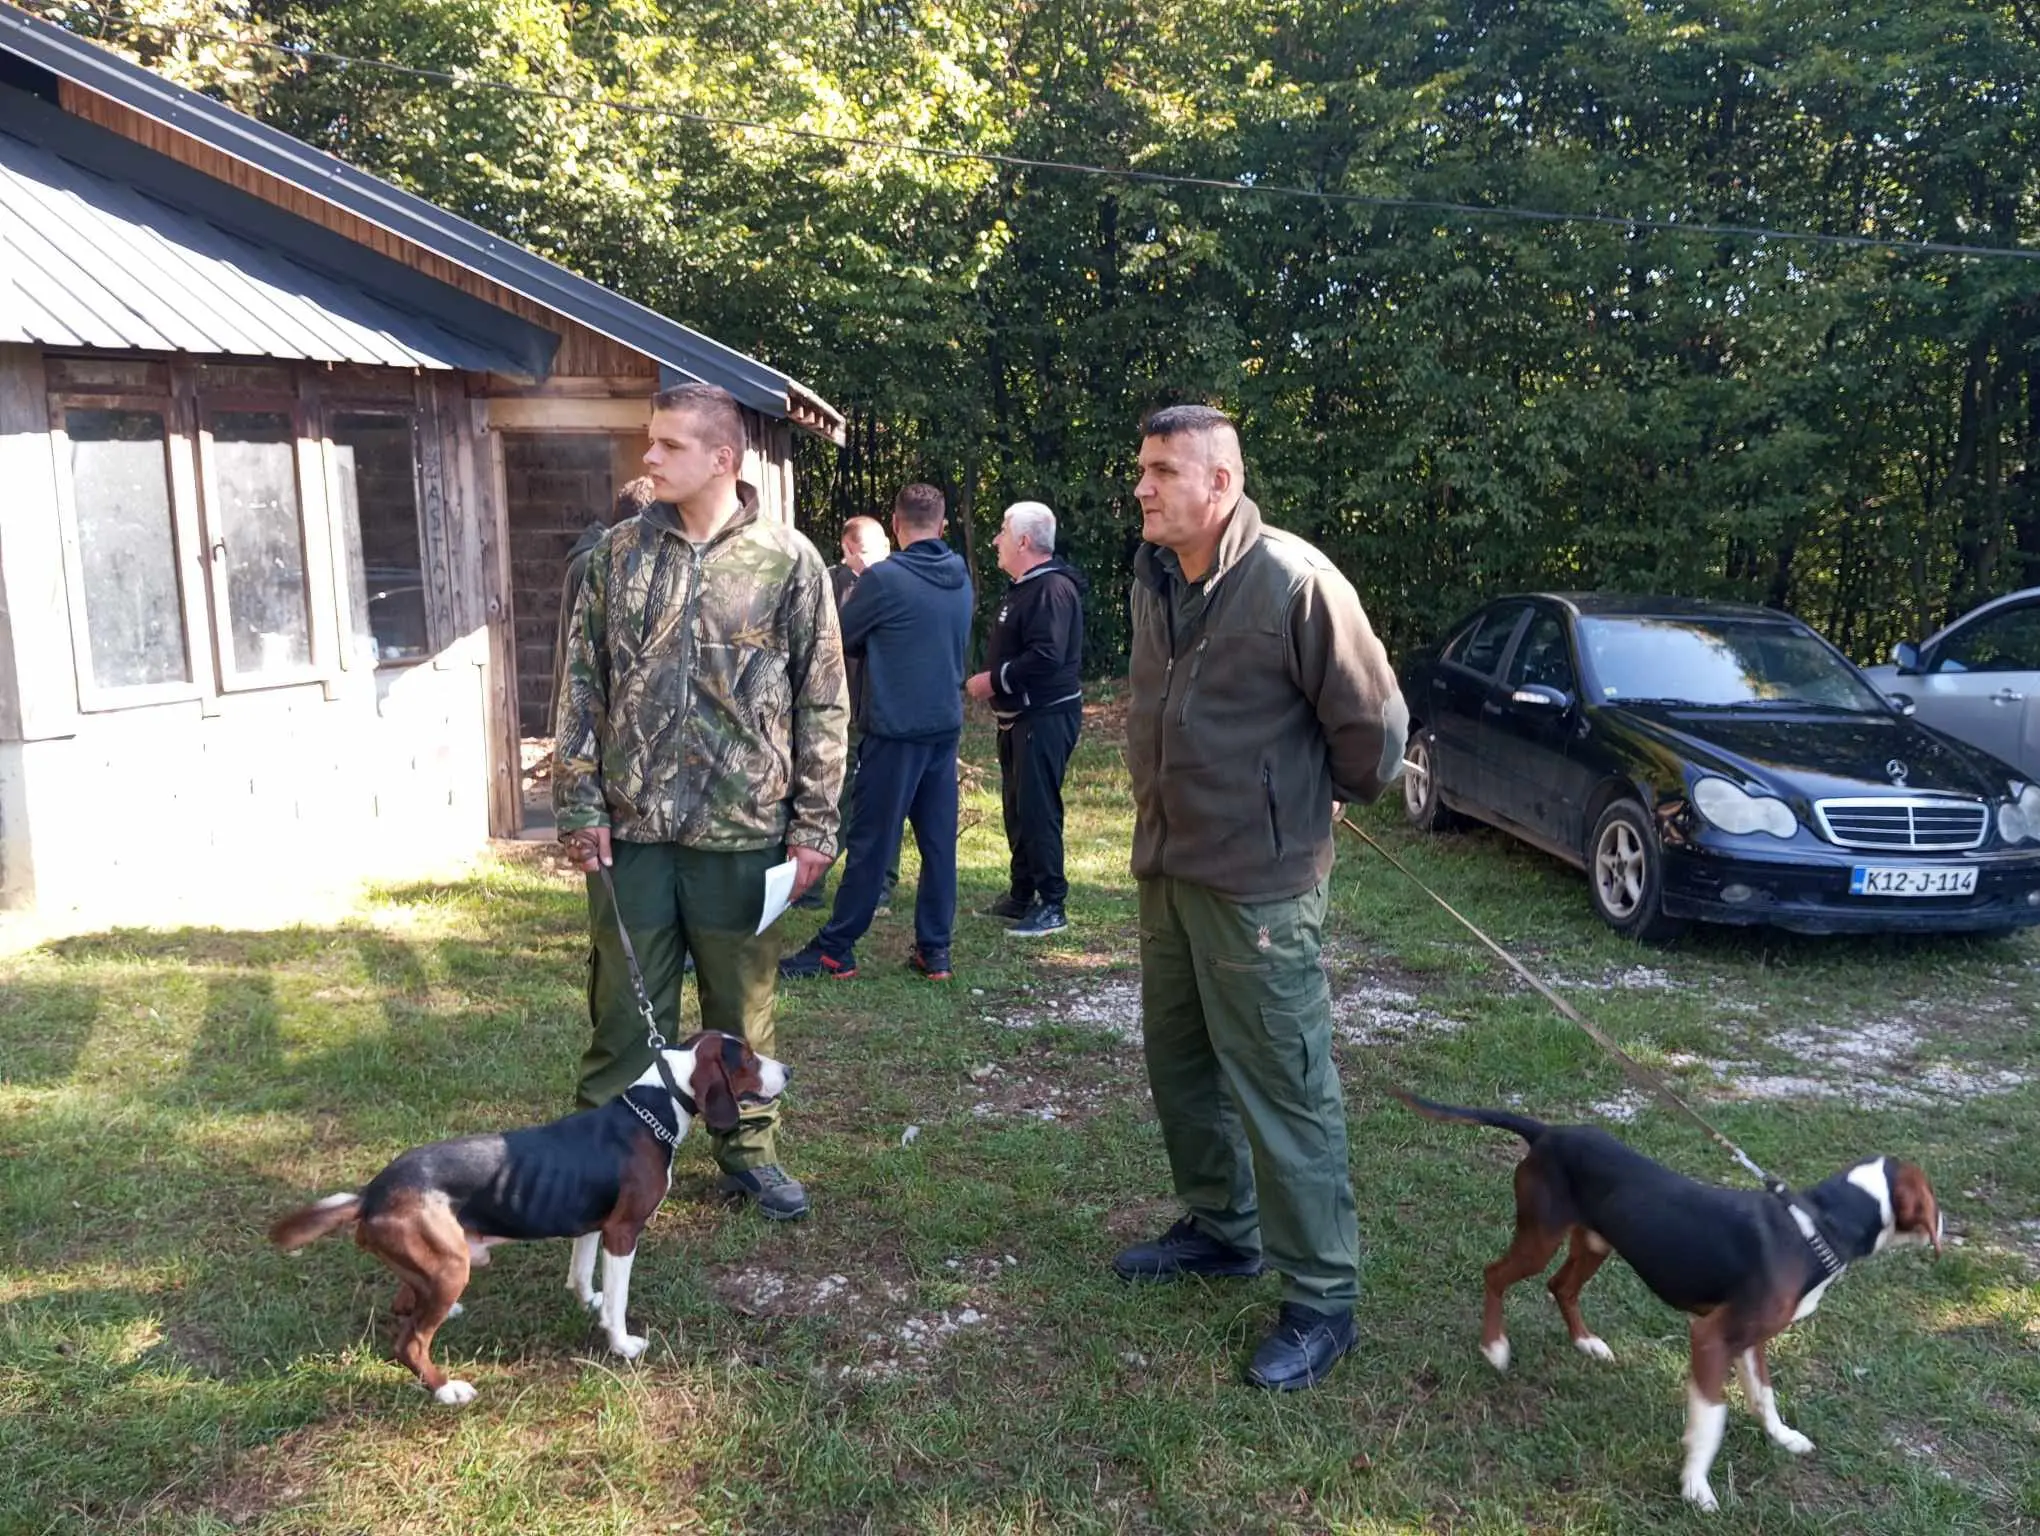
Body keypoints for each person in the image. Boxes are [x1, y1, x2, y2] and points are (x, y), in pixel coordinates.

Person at [1112, 403, 1409, 1391]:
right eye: (1142, 468)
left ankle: (1323, 1298)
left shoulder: (1295, 580)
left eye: (1162, 470)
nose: (1143, 486)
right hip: (1169, 867)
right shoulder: (1155, 577)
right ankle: (1221, 1227)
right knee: (1180, 1064)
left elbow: (1376, 729)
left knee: (1284, 1086)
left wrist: (1316, 795)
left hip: (1259, 889)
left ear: (1221, 482)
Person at [554, 382, 847, 1222]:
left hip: (744, 832)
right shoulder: (615, 556)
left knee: (741, 1006)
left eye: (669, 445)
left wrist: (815, 824)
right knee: (622, 1007)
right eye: (650, 441)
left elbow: (824, 698)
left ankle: (749, 1153)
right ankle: (601, 1158)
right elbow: (580, 686)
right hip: (632, 832)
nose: (649, 457)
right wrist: (580, 804)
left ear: (723, 458)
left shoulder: (789, 561)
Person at [780, 483, 972, 982]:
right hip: (944, 727)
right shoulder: (960, 575)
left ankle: (835, 950)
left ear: (895, 524)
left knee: (871, 843)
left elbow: (841, 636)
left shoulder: (885, 580)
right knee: (938, 846)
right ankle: (936, 950)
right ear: (943, 525)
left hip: (894, 731)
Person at [966, 500, 1087, 938]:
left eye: (1002, 531)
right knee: (1017, 807)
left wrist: (994, 680)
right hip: (1019, 718)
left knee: (1038, 809)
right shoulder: (1024, 587)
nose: (995, 540)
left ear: (1022, 541)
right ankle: (1021, 894)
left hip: (1044, 716)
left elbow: (1047, 656)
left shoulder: (1051, 589)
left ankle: (1052, 904)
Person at [795, 516, 895, 910]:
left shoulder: (893, 583)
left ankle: (882, 883)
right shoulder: (826, 584)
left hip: (881, 710)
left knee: (884, 798)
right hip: (836, 712)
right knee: (831, 796)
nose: (876, 559)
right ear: (847, 549)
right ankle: (811, 884)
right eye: (867, 552)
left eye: (882, 549)